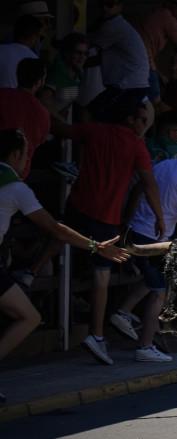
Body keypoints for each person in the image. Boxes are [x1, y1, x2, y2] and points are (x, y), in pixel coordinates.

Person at [0, 129, 130, 396]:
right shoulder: (15, 188)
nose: (27, 160)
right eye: (27, 154)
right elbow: (56, 230)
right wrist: (96, 246)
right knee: (29, 316)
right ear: (15, 154)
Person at [45, 100, 164, 365]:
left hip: (78, 205)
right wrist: (159, 217)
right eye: (143, 119)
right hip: (104, 218)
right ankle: (95, 335)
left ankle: (30, 272)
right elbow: (148, 183)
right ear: (131, 119)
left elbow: (61, 129)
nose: (145, 125)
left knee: (60, 234)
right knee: (102, 277)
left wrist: (46, 109)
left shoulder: (95, 131)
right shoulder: (136, 144)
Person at [111, 130, 177, 362]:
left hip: (137, 231)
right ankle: (144, 346)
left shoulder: (164, 165)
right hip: (150, 238)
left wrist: (128, 218)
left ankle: (122, 312)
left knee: (153, 279)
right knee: (159, 292)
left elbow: (139, 188)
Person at [88, 0, 152, 122]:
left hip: (127, 86)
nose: (105, 8)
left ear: (120, 6)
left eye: (110, 4)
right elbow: (100, 59)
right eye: (101, 4)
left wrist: (61, 45)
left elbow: (83, 46)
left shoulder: (113, 26)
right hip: (132, 86)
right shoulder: (117, 25)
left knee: (88, 116)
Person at [135, 0, 177, 106]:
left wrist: (157, 73)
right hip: (142, 64)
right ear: (168, 4)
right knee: (157, 105)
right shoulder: (166, 17)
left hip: (134, 63)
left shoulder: (152, 14)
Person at [0, 59, 50, 180]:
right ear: (40, 82)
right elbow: (39, 141)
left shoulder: (2, 96)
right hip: (17, 175)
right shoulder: (42, 113)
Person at [39, 32, 90, 120]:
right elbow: (42, 101)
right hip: (45, 122)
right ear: (67, 53)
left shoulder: (79, 73)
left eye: (85, 53)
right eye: (78, 52)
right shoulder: (57, 72)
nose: (82, 57)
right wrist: (59, 119)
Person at [0, 15, 41, 89]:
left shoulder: (1, 49)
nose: (39, 41)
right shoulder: (34, 59)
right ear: (33, 38)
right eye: (40, 37)